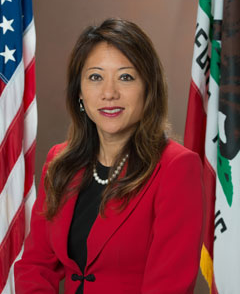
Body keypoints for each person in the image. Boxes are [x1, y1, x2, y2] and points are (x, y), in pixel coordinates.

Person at [14, 18, 204, 294]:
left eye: (125, 77)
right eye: (95, 77)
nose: (109, 93)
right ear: (79, 93)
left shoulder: (177, 168)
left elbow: (168, 287)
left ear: (148, 89)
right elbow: (35, 265)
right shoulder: (61, 161)